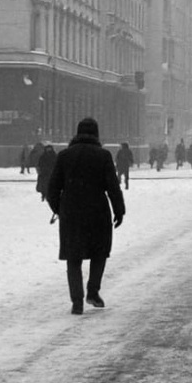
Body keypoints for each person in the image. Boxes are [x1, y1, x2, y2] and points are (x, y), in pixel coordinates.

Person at [46, 118, 126, 315]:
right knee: (99, 253)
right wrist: (119, 210)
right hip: (97, 211)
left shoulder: (64, 156)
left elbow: (52, 188)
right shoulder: (103, 156)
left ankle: (76, 301)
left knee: (73, 258)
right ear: (96, 134)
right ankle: (93, 292)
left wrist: (59, 209)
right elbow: (112, 187)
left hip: (71, 213)